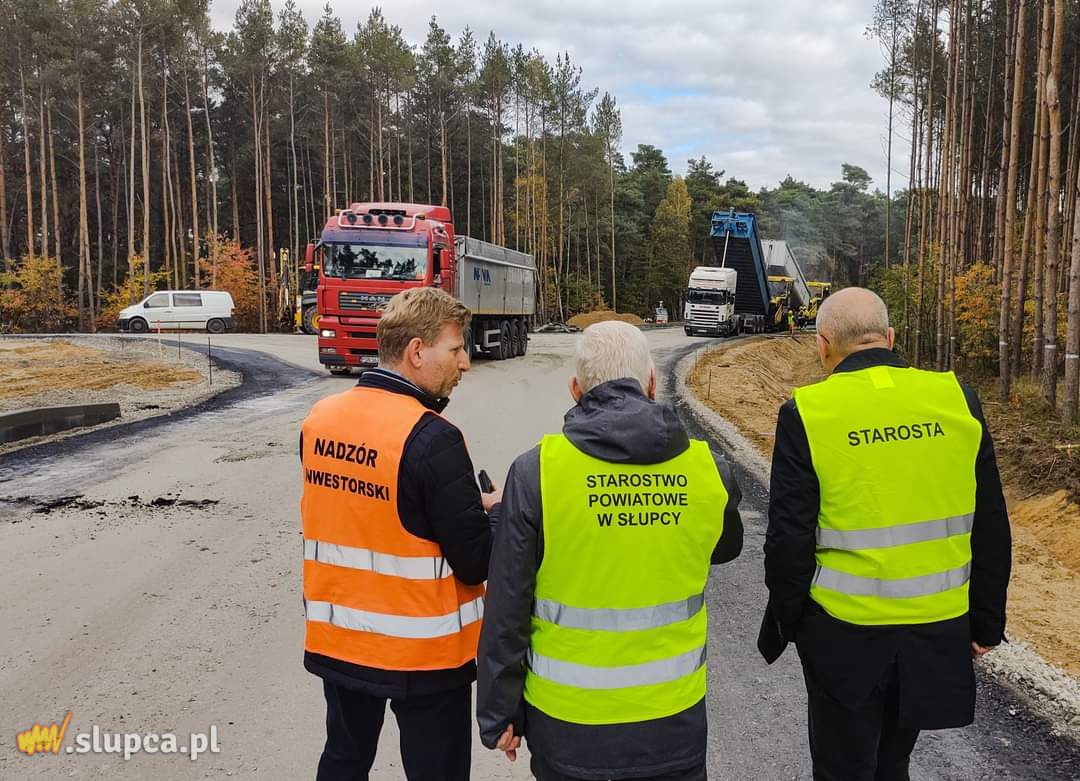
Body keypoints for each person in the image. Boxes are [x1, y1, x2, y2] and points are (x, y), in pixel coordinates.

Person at [759, 287, 1011, 781]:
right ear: (890, 337)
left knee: (843, 768)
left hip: (843, 636)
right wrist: (984, 621)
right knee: (893, 762)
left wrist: (790, 623)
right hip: (935, 630)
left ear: (823, 344)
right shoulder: (957, 399)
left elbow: (788, 537)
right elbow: (990, 521)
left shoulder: (807, 412)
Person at [477, 321, 744, 781]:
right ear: (653, 384)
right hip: (672, 724)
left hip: (568, 727)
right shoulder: (707, 470)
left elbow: (507, 606)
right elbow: (726, 547)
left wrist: (499, 713)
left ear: (575, 390)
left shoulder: (536, 473)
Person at [299, 286, 501, 781]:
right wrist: (495, 514)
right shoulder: (433, 438)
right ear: (416, 351)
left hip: (340, 643)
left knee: (344, 762)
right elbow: (475, 560)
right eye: (456, 349)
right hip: (422, 657)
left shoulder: (320, 420)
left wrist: (453, 504)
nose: (466, 362)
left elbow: (373, 508)